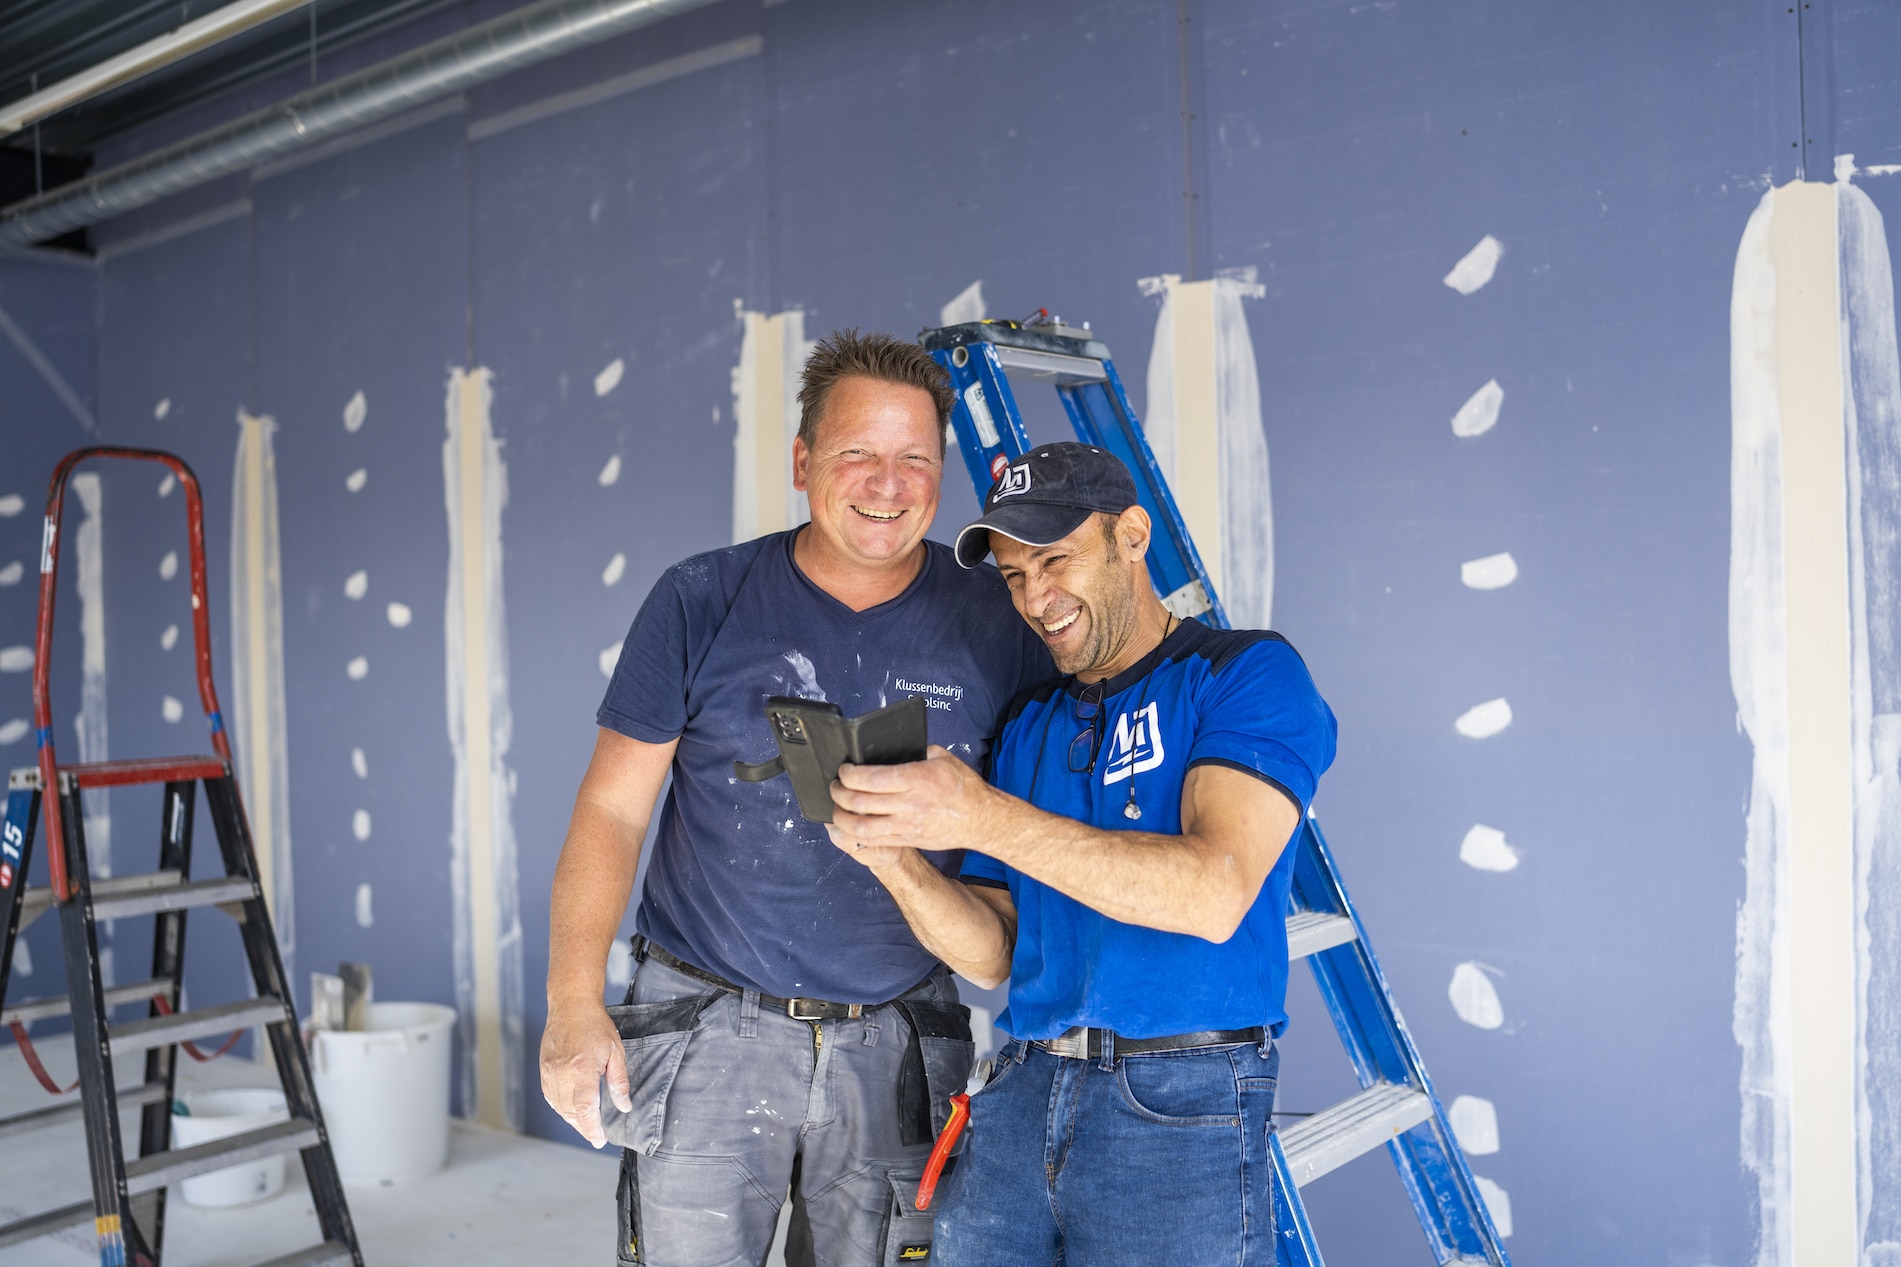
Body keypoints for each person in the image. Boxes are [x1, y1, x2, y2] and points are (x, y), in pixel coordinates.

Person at [538, 330, 1052, 1267]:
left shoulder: (995, 621)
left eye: (915, 460)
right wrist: (573, 1004)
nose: (887, 485)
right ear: (803, 460)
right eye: (857, 453)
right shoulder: (703, 598)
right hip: (706, 1027)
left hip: (898, 1034)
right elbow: (613, 808)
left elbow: (1023, 837)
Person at [826, 441, 1337, 1265]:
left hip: (1178, 1100)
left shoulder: (1242, 673)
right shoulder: (1031, 721)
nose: (1036, 597)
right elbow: (994, 952)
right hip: (1021, 1088)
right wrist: (891, 857)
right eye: (1016, 576)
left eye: (1056, 561)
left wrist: (982, 814)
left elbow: (1212, 893)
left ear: (1131, 536)